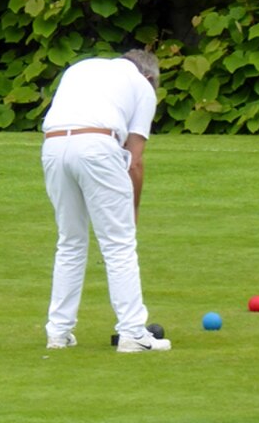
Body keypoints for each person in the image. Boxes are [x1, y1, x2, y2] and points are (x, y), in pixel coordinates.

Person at [41, 50, 171, 353]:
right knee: (119, 243)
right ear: (150, 78)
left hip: (53, 145)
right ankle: (133, 333)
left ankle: (58, 333)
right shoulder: (142, 86)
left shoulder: (82, 68)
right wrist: (133, 209)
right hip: (97, 145)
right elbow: (134, 161)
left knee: (70, 241)